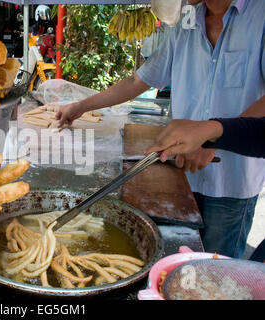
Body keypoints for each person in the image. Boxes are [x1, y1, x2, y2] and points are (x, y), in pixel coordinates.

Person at [55, 0, 265, 259]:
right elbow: (140, 79)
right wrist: (80, 107)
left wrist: (216, 138)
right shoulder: (186, 20)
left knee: (218, 275)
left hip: (232, 183)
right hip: (179, 175)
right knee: (174, 265)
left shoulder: (261, 15)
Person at [145, 117, 265, 262]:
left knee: (218, 268)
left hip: (231, 180)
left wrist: (211, 137)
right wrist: (212, 132)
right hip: (181, 169)